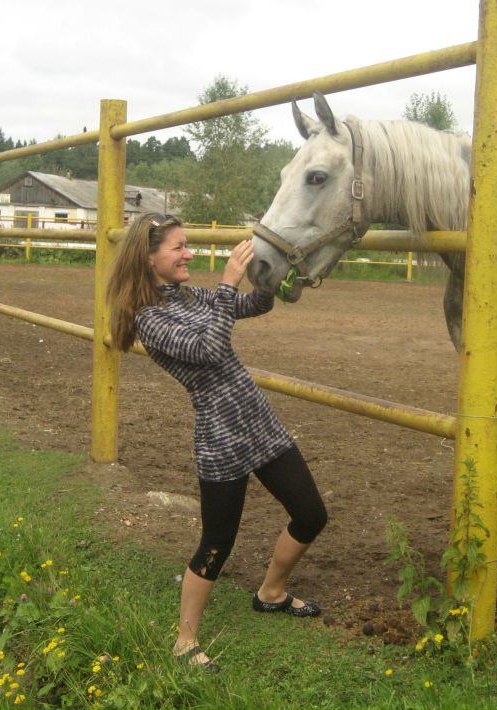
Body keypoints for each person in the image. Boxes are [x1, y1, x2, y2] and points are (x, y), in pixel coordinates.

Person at [106, 212, 327, 673]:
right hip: (221, 437)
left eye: (186, 245)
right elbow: (208, 349)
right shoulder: (149, 318)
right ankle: (185, 641)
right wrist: (227, 282)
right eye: (179, 248)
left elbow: (252, 306)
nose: (188, 254)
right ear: (149, 259)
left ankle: (271, 593)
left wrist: (269, 276)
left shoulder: (190, 295)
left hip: (260, 423)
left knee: (311, 514)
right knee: (217, 542)